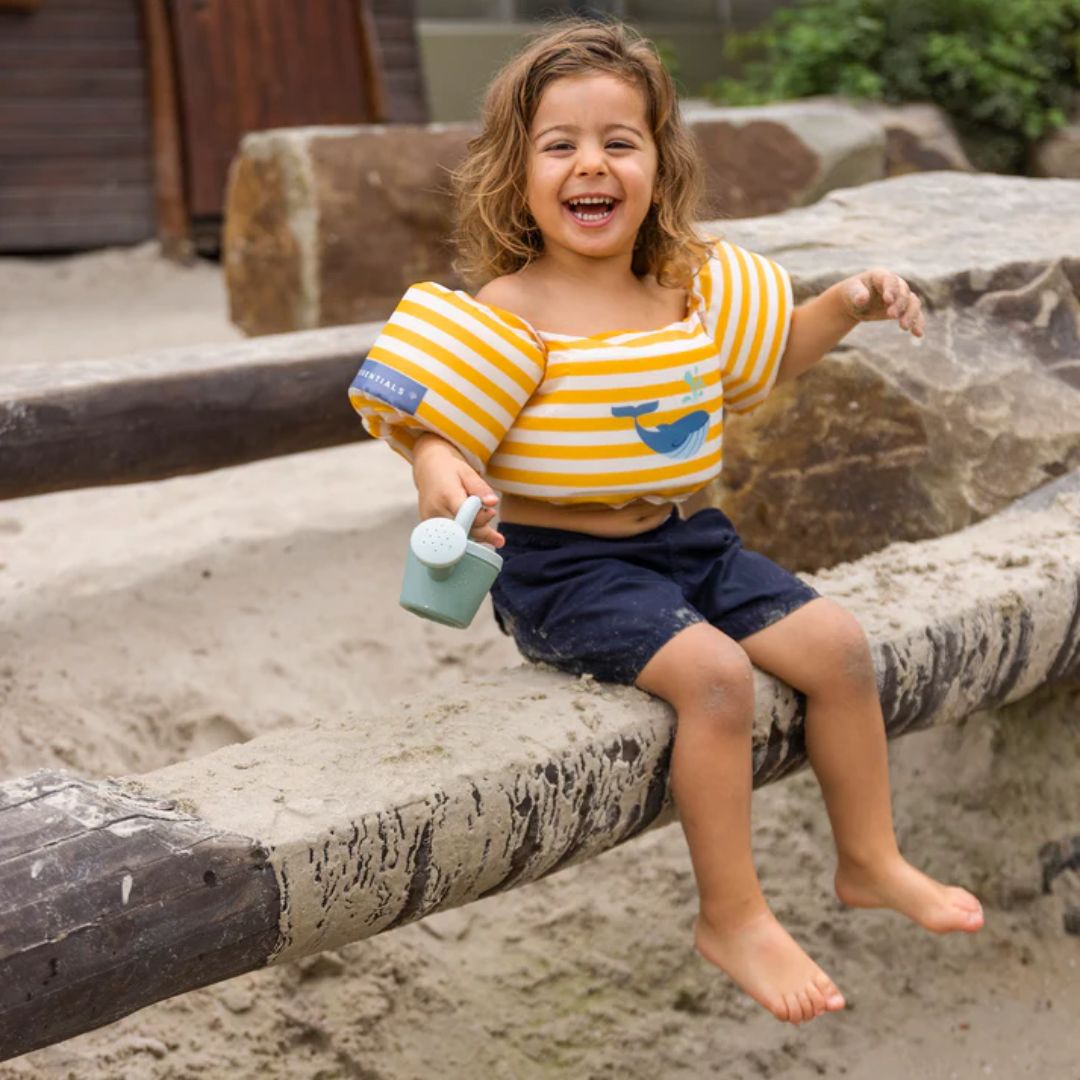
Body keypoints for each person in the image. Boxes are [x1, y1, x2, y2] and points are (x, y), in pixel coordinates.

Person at [348, 16, 984, 1025]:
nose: (589, 164)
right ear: (517, 171)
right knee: (718, 681)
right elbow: (432, 425)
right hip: (564, 570)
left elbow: (767, 362)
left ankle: (869, 858)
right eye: (560, 144)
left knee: (840, 647)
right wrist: (438, 471)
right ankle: (731, 915)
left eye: (619, 141)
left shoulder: (689, 290)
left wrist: (851, 300)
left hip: (690, 542)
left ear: (659, 162)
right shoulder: (508, 312)